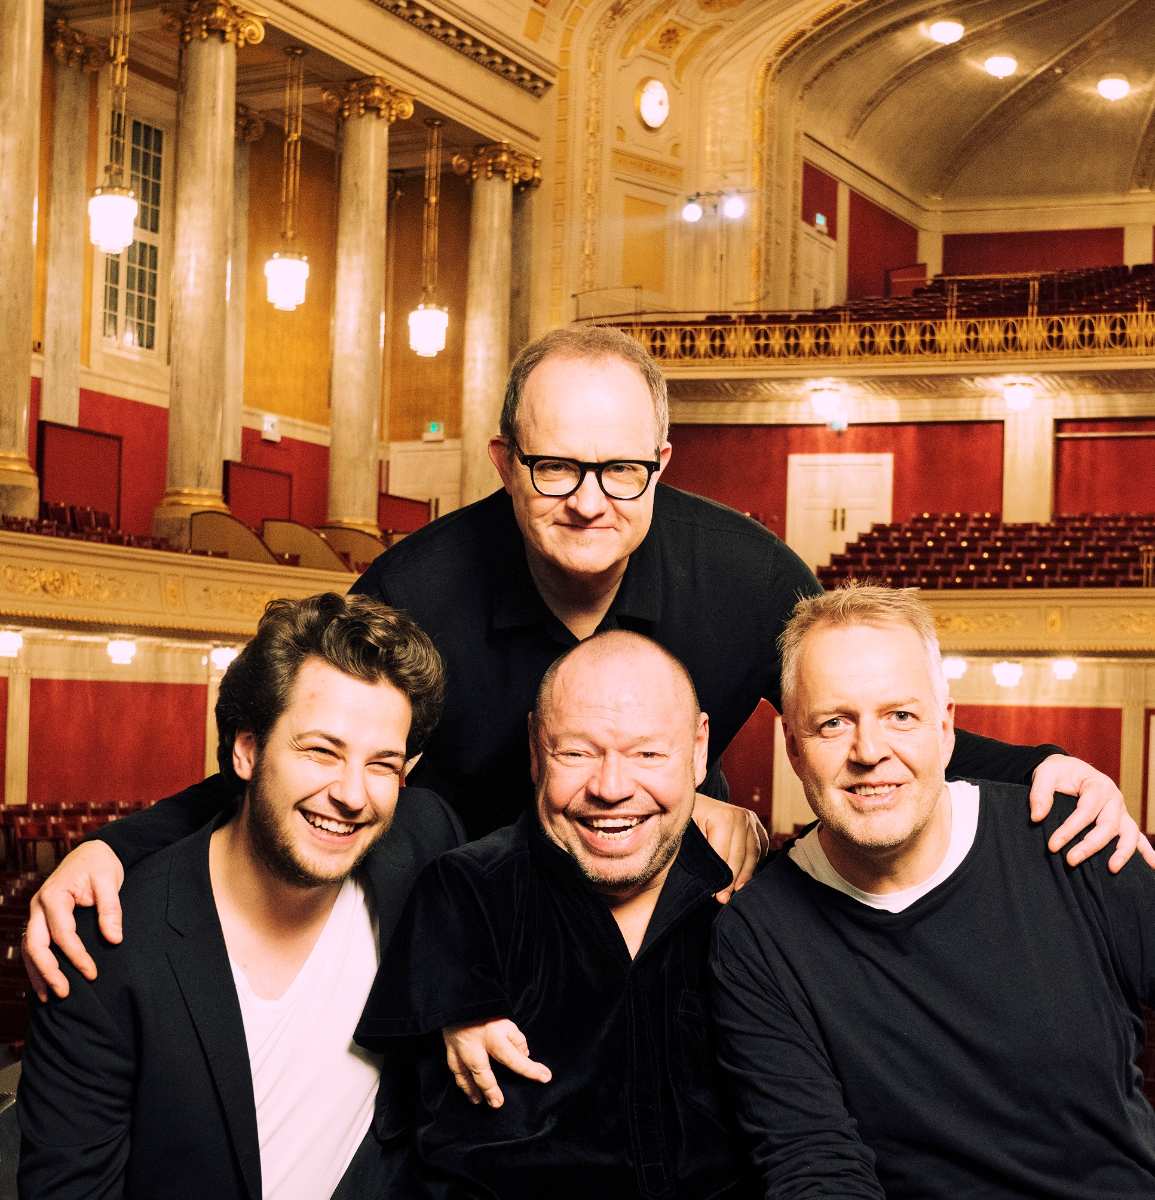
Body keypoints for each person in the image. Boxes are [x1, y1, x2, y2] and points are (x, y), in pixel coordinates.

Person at [21, 324, 1147, 1000]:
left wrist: (1043, 767)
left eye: (622, 471)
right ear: (505, 461)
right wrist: (119, 848)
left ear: (663, 462)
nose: (590, 502)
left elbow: (867, 727)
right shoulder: (413, 591)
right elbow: (291, 765)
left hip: (668, 929)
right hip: (462, 928)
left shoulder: (748, 572)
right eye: (557, 467)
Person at [710, 584, 1155, 1198]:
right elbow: (815, 1167)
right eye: (834, 723)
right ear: (792, 746)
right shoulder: (758, 935)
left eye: (901, 716)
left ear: (946, 728)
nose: (870, 751)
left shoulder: (1076, 839)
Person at [17, 593, 461, 1199]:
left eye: (381, 764)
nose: (354, 795)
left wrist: (471, 1002)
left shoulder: (420, 839)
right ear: (247, 750)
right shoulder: (105, 947)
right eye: (321, 751)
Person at [357, 630, 757, 1198]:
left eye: (648, 753)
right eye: (576, 752)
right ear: (534, 750)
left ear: (697, 751)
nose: (611, 787)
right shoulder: (464, 894)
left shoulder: (754, 903)